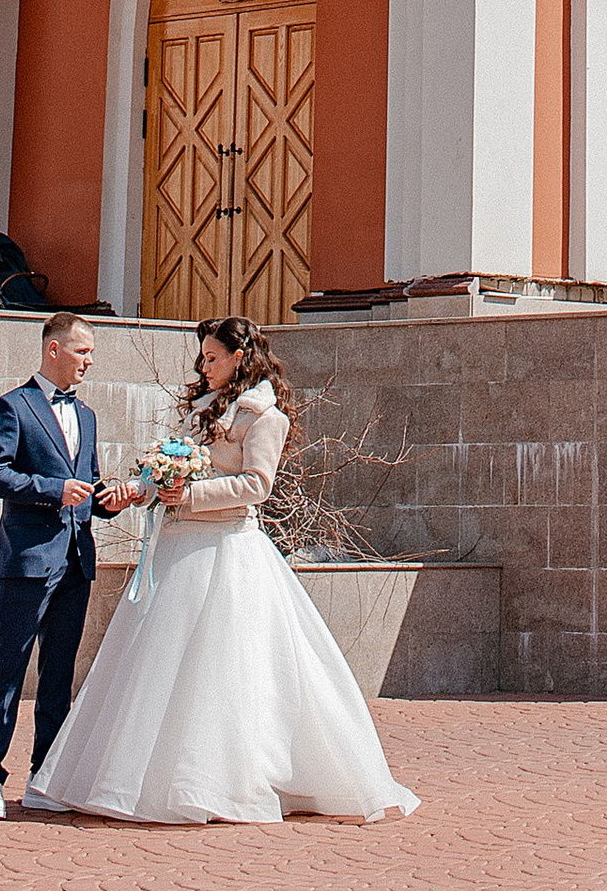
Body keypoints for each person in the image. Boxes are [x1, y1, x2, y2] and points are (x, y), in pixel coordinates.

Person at [25, 315, 420, 826]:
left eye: (212, 358)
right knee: (157, 669)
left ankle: (227, 781)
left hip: (228, 550)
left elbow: (257, 484)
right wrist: (137, 489)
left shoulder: (264, 417)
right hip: (177, 552)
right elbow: (166, 473)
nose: (203, 366)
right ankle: (145, 779)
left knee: (226, 668)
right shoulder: (200, 410)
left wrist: (188, 495)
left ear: (239, 358)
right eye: (202, 357)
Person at [0, 312, 133, 819]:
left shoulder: (87, 415)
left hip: (76, 561)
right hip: (27, 561)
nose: (89, 362)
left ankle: (46, 776)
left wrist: (111, 499)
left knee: (58, 675)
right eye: (83, 351)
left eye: (91, 353)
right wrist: (51, 490)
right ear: (54, 349)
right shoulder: (12, 407)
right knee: (7, 669)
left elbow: (89, 482)